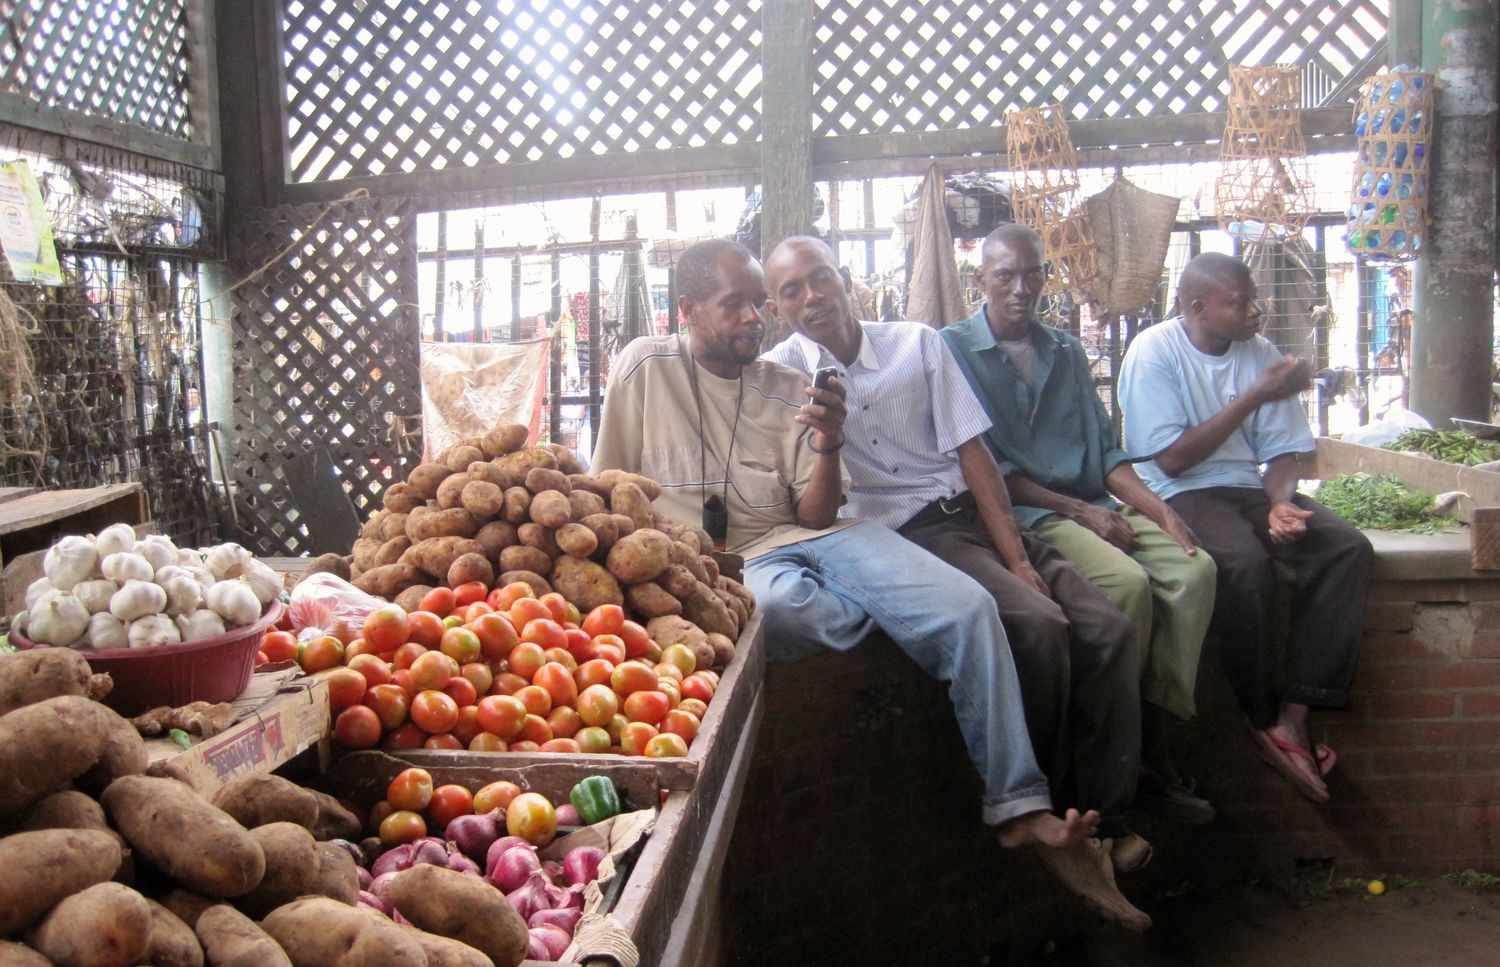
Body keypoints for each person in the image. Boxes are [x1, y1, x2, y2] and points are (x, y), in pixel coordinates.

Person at [592, 238, 1150, 931]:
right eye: (735, 304)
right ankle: (905, 618)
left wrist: (828, 444)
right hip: (733, 563)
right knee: (786, 613)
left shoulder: (787, 383)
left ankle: (1019, 805)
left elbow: (816, 513)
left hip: (816, 535)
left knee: (971, 606)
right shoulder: (645, 367)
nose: (754, 318)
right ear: (687, 309)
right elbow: (606, 484)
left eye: (755, 304)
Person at [759, 236, 1151, 930]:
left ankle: (1107, 818)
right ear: (775, 306)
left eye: (820, 279)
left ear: (844, 279)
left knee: (1108, 627)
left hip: (973, 516)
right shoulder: (780, 379)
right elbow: (806, 509)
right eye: (792, 290)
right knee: (1038, 626)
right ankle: (1053, 814)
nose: (811, 297)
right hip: (905, 540)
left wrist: (1018, 555)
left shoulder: (916, 344)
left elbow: (973, 452)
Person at [940, 224, 1218, 825]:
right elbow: (986, 468)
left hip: (1093, 505)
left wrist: (1160, 510)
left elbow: (1107, 454)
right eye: (1005, 275)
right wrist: (1079, 511)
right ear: (980, 279)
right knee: (1128, 585)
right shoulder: (952, 350)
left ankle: (1153, 730)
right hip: (1032, 512)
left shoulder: (1064, 350)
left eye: (1031, 274)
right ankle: (1129, 756)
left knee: (1195, 573)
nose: (1020, 288)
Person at [1118, 252, 1374, 804]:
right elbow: (1171, 462)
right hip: (1178, 493)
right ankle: (1260, 716)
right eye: (1240, 303)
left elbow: (1283, 452)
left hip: (1247, 490)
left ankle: (1295, 715)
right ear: (1196, 308)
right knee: (1244, 566)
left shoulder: (1257, 352)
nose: (1256, 311)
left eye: (1254, 298)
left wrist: (1280, 502)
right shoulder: (1154, 352)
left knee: (1347, 548)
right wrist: (1255, 395)